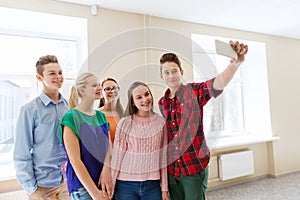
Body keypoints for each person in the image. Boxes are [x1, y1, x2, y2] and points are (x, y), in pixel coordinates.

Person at [158, 41, 248, 200]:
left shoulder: (193, 91)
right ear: (161, 76)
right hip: (173, 170)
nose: (171, 76)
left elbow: (216, 85)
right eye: (166, 72)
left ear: (181, 72)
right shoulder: (162, 103)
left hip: (193, 167)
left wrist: (234, 65)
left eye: (174, 71)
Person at [13, 55, 70, 199]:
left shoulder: (68, 107)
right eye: (52, 73)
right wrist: (32, 190)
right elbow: (21, 154)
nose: (58, 77)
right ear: (39, 78)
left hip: (66, 183)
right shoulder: (29, 110)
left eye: (60, 73)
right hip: (42, 187)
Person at [111, 81, 170, 200]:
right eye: (139, 97)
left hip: (152, 184)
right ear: (132, 102)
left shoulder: (160, 122)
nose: (145, 99)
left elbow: (162, 158)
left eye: (147, 94)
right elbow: (117, 156)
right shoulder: (125, 123)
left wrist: (164, 190)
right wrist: (111, 186)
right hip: (125, 184)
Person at [60, 72, 113, 200]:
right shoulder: (71, 117)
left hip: (103, 183)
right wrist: (95, 194)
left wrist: (106, 170)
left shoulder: (100, 116)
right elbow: (75, 160)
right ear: (82, 90)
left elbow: (109, 148)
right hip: (83, 188)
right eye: (94, 85)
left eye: (99, 84)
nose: (99, 88)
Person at [98, 78, 124, 143]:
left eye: (115, 88)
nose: (112, 91)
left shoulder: (125, 115)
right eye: (107, 89)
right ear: (101, 93)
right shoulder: (95, 114)